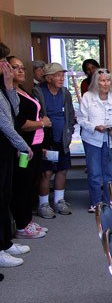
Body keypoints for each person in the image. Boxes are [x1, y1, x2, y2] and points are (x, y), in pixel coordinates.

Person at [8, 56, 51, 239]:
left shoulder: (25, 91)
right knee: (22, 184)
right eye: (14, 68)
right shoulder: (11, 95)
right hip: (23, 149)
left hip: (35, 146)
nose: (20, 71)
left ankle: (27, 220)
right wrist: (41, 123)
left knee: (30, 182)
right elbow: (21, 124)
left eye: (22, 68)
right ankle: (21, 224)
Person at [0, 43, 34, 268]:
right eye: (3, 63)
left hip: (6, 151)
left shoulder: (3, 87)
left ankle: (6, 242)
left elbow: (14, 109)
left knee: (5, 197)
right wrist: (24, 146)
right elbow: (6, 124)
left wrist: (9, 83)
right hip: (5, 147)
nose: (7, 67)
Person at [32, 62, 77, 218]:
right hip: (45, 139)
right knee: (46, 172)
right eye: (58, 75)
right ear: (48, 78)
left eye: (62, 75)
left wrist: (69, 132)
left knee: (62, 170)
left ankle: (59, 201)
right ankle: (43, 204)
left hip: (62, 138)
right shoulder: (38, 92)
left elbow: (70, 115)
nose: (61, 78)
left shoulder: (65, 93)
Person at [77, 68, 112, 212]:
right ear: (96, 82)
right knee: (94, 172)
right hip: (92, 139)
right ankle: (95, 203)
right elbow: (81, 119)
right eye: (102, 80)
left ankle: (109, 201)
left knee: (109, 173)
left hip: (110, 139)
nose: (106, 83)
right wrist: (94, 127)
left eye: (108, 80)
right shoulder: (88, 97)